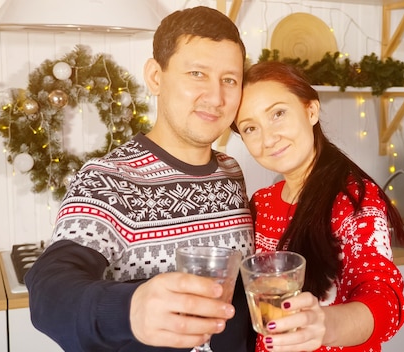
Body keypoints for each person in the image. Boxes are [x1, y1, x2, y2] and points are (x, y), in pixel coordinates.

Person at [25, 6, 256, 352]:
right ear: (155, 77)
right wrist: (130, 307)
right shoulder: (108, 179)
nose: (216, 97)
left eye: (229, 80)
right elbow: (50, 288)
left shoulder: (230, 172)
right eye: (197, 73)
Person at [232, 60, 404, 351]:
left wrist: (324, 326)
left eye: (278, 113)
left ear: (310, 110)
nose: (268, 138)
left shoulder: (353, 200)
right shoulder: (262, 203)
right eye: (251, 128)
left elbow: (386, 302)